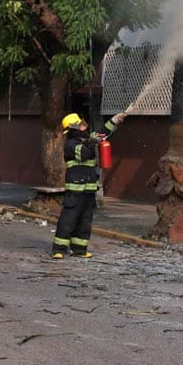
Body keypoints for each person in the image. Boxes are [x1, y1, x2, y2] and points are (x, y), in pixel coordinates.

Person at [51, 111, 127, 259]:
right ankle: (59, 249)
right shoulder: (70, 145)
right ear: (74, 127)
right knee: (68, 220)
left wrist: (115, 120)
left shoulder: (87, 140)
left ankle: (79, 249)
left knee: (85, 221)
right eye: (80, 124)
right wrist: (93, 142)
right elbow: (83, 153)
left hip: (89, 189)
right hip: (75, 191)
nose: (83, 126)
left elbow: (102, 133)